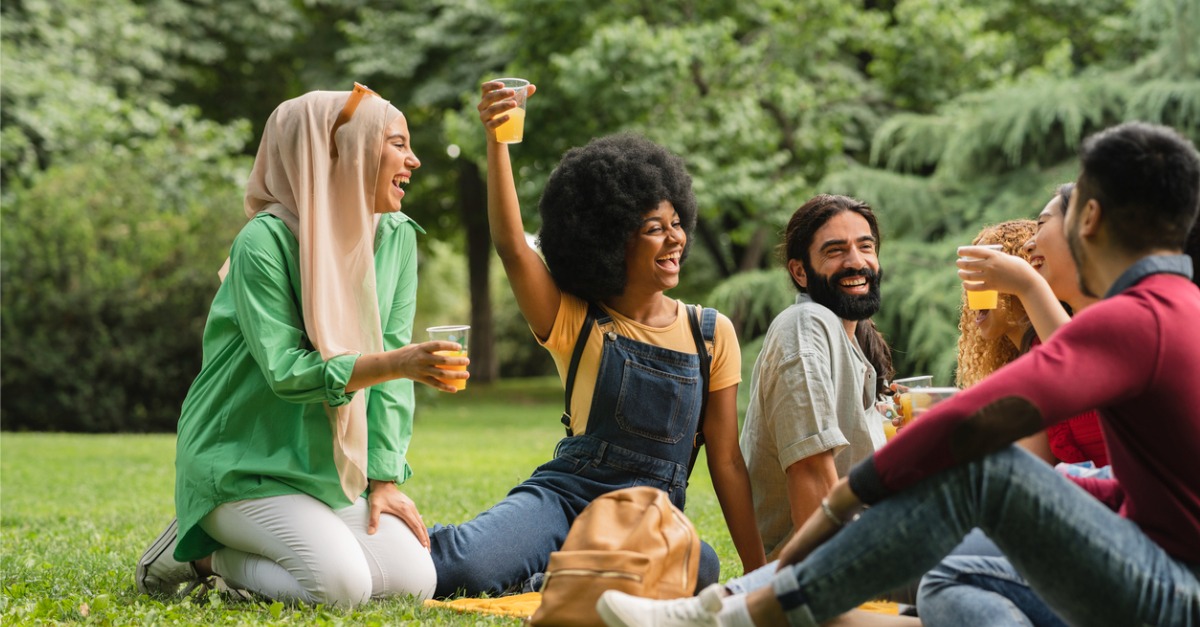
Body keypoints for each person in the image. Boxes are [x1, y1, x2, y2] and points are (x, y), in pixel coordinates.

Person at [596, 121, 1200, 627]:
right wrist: (1060, 490)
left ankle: (743, 613)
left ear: (1088, 217)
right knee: (948, 581)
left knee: (984, 469)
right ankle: (735, 603)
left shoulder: (1137, 316)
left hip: (1171, 589)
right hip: (1152, 567)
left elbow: (977, 420)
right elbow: (1146, 491)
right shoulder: (1177, 307)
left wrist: (852, 495)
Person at [426, 80, 766, 599]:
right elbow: (513, 247)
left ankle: (554, 577)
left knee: (700, 567)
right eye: (655, 228)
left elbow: (725, 460)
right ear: (611, 239)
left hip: (644, 521)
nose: (675, 239)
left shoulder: (711, 334)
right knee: (462, 570)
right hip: (563, 498)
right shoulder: (578, 321)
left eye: (677, 223)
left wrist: (763, 574)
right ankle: (540, 568)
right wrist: (498, 141)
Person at [133, 84, 469, 606]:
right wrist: (398, 363)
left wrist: (383, 478)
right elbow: (288, 372)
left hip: (325, 470)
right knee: (339, 590)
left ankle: (242, 549)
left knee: (412, 582)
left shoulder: (395, 236)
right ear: (340, 149)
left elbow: (392, 364)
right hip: (243, 463)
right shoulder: (262, 242)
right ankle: (198, 554)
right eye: (398, 143)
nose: (415, 159)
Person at [740, 194, 894, 562]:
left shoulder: (851, 342)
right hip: (833, 561)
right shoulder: (805, 324)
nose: (856, 261)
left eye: (865, 246)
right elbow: (810, 471)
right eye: (835, 251)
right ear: (800, 271)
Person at [959, 185, 1108, 468]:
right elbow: (1029, 465)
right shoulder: (1041, 350)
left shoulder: (1128, 318)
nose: (1030, 244)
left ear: (1086, 228)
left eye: (1042, 225)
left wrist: (1027, 285)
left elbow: (1081, 373)